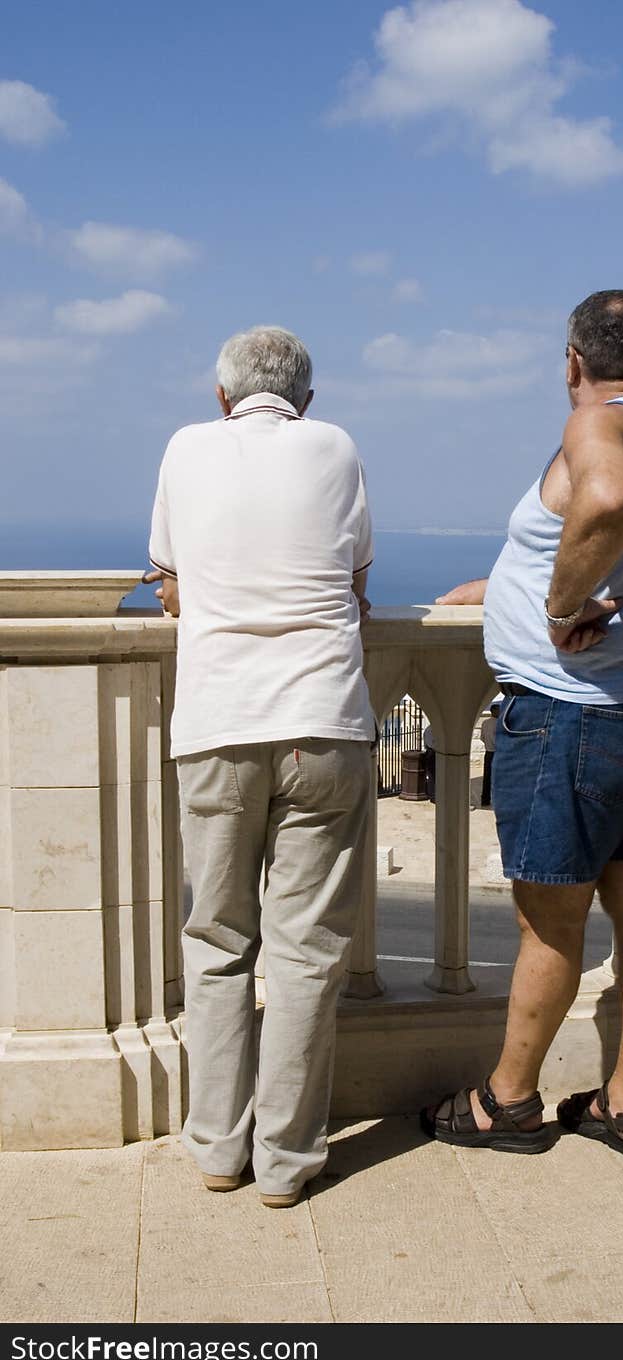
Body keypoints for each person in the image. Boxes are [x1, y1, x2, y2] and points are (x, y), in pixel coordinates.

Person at [422, 290, 623, 1160]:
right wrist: (503, 582)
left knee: (550, 919)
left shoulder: (599, 426)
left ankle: (506, 1102)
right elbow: (596, 528)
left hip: (574, 718)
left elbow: (607, 503)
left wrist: (556, 604)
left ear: (574, 359)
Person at [145, 325, 375, 1206]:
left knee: (217, 943)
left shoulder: (185, 448)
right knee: (307, 953)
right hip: (322, 723)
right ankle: (286, 1161)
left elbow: (169, 576)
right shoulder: (337, 447)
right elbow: (355, 579)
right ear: (307, 401)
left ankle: (216, 1149)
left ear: (222, 396)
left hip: (217, 725)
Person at [479, 701, 500, 807]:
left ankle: (485, 799)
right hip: (498, 753)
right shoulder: (499, 723)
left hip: (488, 752)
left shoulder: (485, 723)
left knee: (487, 777)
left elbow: (481, 737)